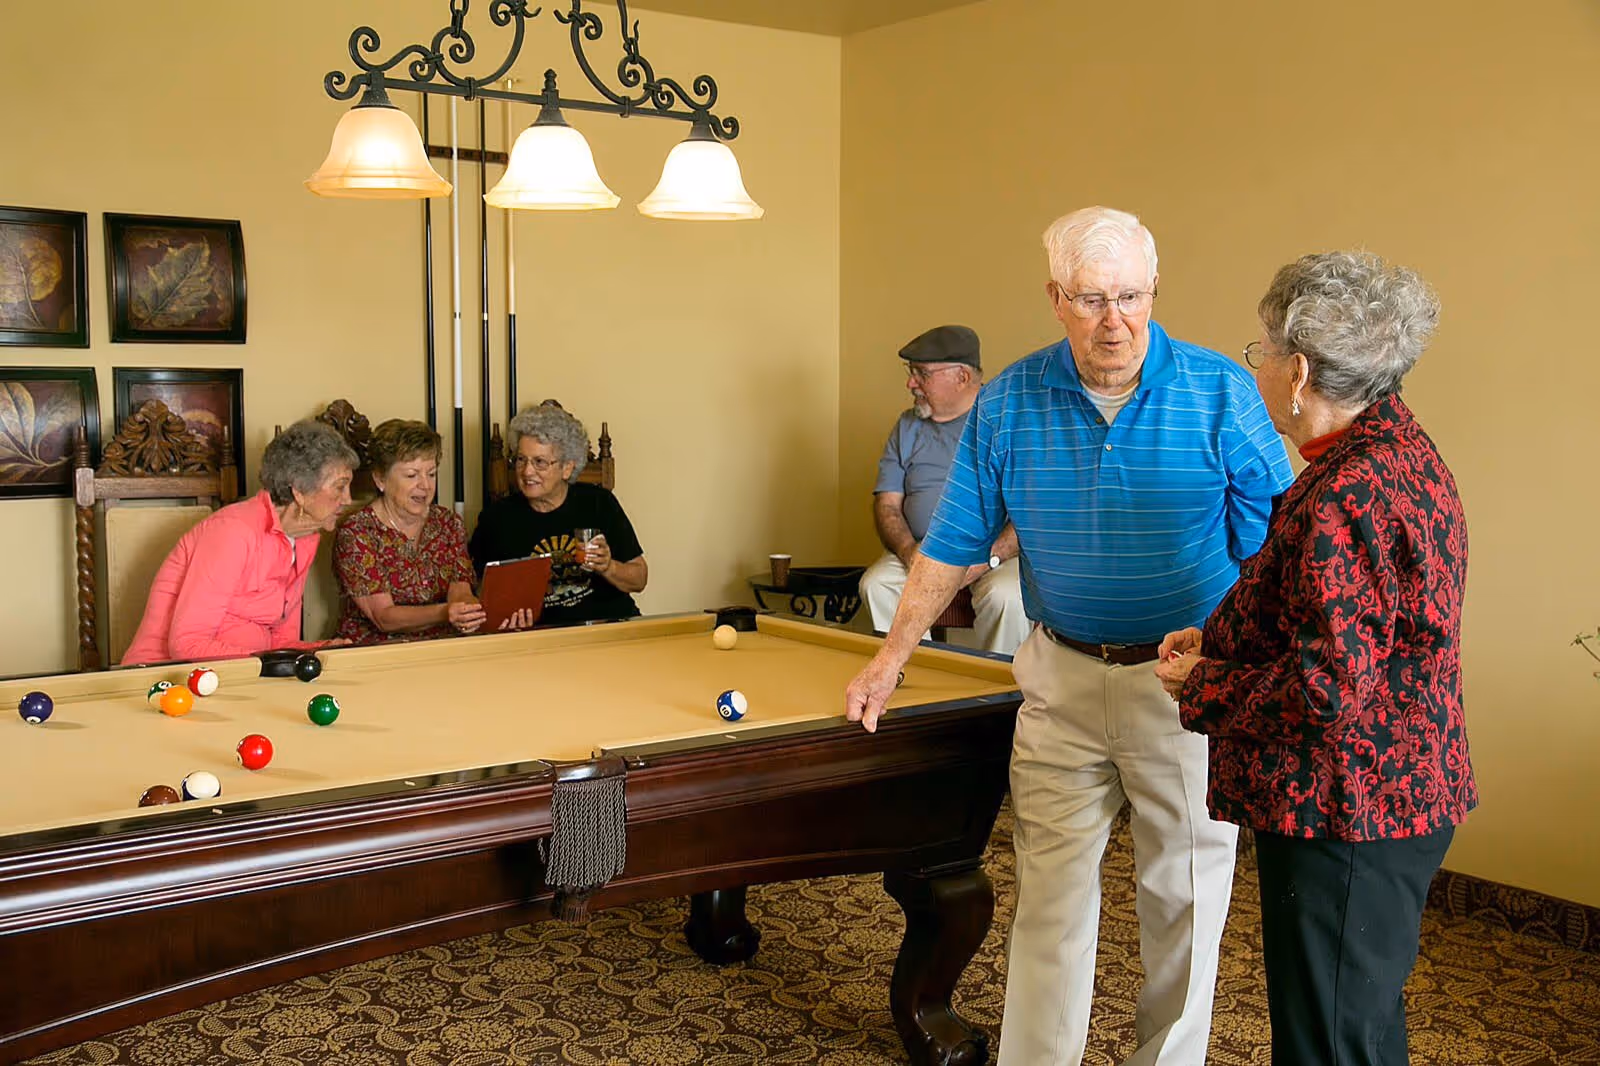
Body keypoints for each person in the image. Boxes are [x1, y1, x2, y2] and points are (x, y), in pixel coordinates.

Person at [845, 206, 1294, 1065]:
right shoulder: (1010, 398)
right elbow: (953, 545)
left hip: (1186, 686)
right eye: (1091, 299)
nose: (1114, 320)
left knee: (1185, 898)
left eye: (1131, 296)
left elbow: (1277, 532)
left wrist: (1241, 654)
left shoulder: (1219, 389)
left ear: (1154, 291)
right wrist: (890, 655)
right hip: (1060, 677)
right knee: (1047, 901)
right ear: (1056, 298)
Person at [1155, 251, 1476, 1065]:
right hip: (1396, 791)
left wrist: (1205, 684)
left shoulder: (1345, 494)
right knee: (1358, 1030)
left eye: (1261, 352)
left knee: (1328, 1041)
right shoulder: (1400, 451)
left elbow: (1328, 689)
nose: (1257, 368)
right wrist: (1223, 638)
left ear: (1298, 372)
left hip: (1348, 808)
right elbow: (1359, 626)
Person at [122, 420, 359, 664]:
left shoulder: (306, 538)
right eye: (340, 487)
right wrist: (273, 662)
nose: (348, 499)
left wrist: (323, 649)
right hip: (166, 679)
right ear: (299, 490)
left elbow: (278, 643)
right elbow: (187, 644)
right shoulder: (233, 531)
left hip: (240, 676)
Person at [861, 324, 1028, 656]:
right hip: (922, 550)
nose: (911, 383)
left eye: (922, 374)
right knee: (876, 585)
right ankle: (908, 683)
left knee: (1008, 597)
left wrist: (987, 559)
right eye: (911, 373)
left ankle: (995, 692)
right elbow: (888, 505)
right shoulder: (907, 426)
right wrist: (911, 553)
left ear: (962, 378)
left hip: (995, 554)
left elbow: (1031, 510)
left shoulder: (1006, 424)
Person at [469, 403, 647, 625]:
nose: (527, 471)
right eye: (521, 459)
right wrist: (503, 616)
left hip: (608, 626)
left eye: (540, 462)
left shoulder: (599, 503)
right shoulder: (496, 518)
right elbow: (476, 591)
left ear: (567, 468)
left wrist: (608, 567)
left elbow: (639, 579)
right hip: (542, 637)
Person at [333, 419, 485, 644]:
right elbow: (383, 616)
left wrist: (468, 611)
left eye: (431, 474)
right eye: (412, 475)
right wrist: (446, 612)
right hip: (375, 649)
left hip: (443, 646)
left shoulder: (448, 523)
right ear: (380, 479)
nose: (425, 486)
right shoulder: (357, 532)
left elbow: (460, 590)